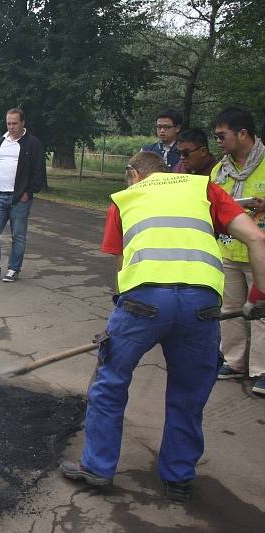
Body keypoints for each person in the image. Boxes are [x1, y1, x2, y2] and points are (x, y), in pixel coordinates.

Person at [59, 151, 265, 502]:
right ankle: (179, 477)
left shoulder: (126, 199)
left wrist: (121, 319)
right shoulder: (205, 189)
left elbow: (123, 267)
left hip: (144, 302)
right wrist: (258, 296)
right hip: (202, 306)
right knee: (189, 392)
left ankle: (97, 467)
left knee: (110, 383)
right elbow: (257, 239)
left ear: (134, 174)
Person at [210, 106, 265, 396]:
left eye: (222, 135)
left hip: (261, 251)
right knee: (229, 308)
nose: (218, 142)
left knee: (261, 311)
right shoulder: (220, 169)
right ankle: (234, 362)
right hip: (228, 250)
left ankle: (262, 369)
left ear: (243, 133)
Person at [0, 108, 44, 282]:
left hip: (19, 198)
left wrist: (28, 192)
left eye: (14, 123)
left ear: (22, 123)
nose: (11, 127)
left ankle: (13, 269)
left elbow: (39, 172)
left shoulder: (33, 144)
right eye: (8, 123)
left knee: (18, 235)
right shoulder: (1, 141)